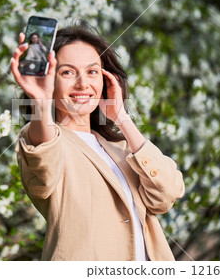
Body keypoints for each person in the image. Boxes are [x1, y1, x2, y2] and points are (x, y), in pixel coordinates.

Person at [10, 22, 185, 261]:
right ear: (50, 79)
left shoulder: (121, 149)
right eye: (67, 72)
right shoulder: (46, 139)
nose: (83, 84)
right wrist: (40, 100)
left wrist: (120, 116)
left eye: (92, 71)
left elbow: (167, 195)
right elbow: (43, 161)